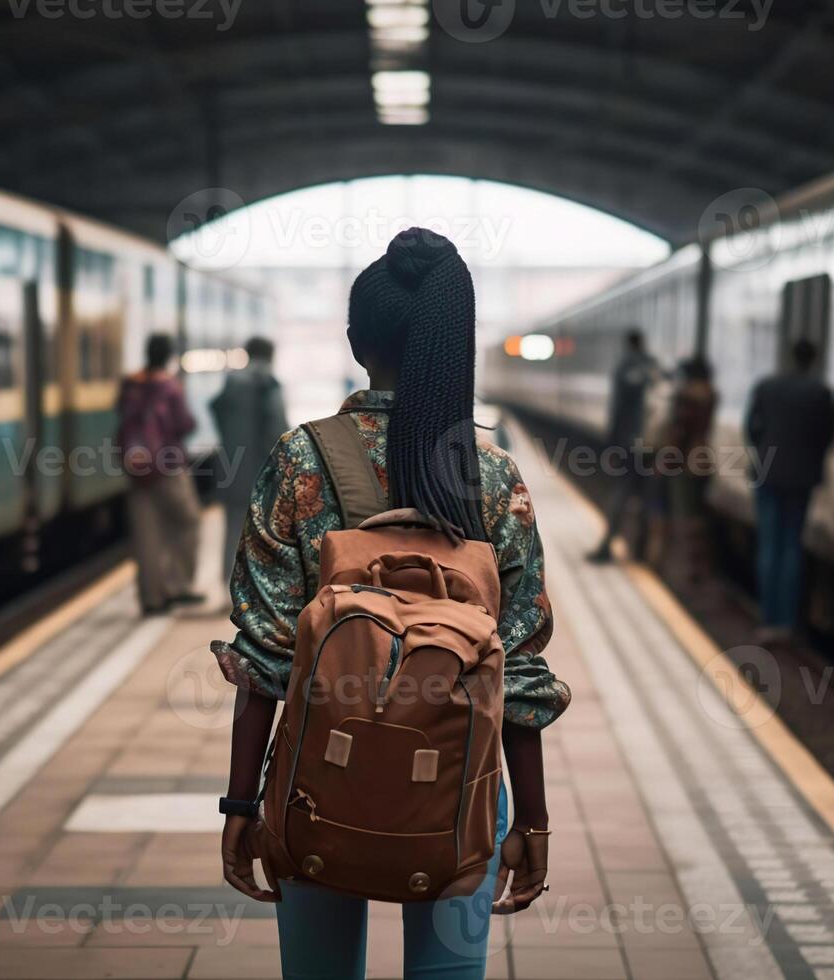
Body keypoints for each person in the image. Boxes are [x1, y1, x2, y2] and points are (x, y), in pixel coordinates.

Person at [211, 228, 570, 979]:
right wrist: (530, 821)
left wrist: (241, 806)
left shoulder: (299, 457)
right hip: (460, 789)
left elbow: (266, 661)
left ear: (353, 341)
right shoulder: (493, 475)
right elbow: (520, 674)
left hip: (316, 782)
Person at [744, 337, 834, 640]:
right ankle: (786, 621)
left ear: (788, 356)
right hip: (802, 477)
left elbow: (751, 428)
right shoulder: (821, 393)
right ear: (814, 359)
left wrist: (763, 453)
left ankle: (768, 618)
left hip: (767, 474)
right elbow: (827, 434)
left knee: (769, 545)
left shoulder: (766, 386)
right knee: (791, 546)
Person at [116, 332, 203, 615]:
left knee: (146, 535)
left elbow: (121, 418)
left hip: (136, 469)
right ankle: (177, 586)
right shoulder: (169, 387)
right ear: (167, 356)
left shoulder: (130, 385)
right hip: (168, 468)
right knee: (188, 521)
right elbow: (185, 424)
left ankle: (151, 598)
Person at [209, 336, 289, 589]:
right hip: (261, 470)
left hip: (232, 467)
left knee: (233, 529)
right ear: (270, 356)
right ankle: (257, 587)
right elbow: (278, 427)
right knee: (266, 530)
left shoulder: (231, 381)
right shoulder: (268, 383)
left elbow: (216, 407)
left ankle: (227, 586)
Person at [588, 329, 661, 563]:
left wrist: (611, 444)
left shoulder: (625, 366)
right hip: (655, 444)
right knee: (647, 495)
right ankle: (642, 550)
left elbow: (619, 408)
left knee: (621, 492)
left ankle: (606, 545)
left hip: (630, 442)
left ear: (627, 344)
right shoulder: (654, 366)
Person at [655, 356, 718, 574]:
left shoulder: (686, 396)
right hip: (703, 460)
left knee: (683, 515)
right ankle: (699, 566)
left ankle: (684, 567)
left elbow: (679, 432)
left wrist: (665, 462)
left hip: (684, 463)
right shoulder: (711, 394)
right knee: (698, 515)